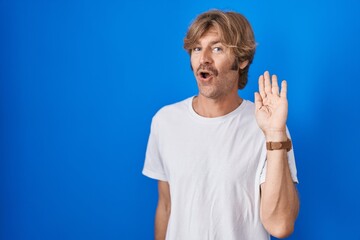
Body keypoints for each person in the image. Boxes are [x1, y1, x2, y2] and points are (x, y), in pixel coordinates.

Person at [142, 9, 299, 240]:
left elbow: (280, 225)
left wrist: (275, 134)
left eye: (217, 48)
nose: (204, 58)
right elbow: (166, 206)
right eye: (197, 48)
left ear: (242, 60)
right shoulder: (165, 121)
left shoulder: (268, 129)